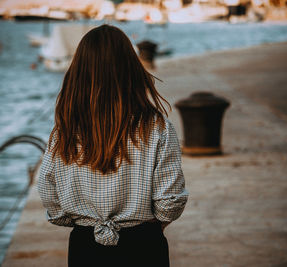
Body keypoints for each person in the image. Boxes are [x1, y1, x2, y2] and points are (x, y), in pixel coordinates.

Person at [37, 24, 188, 267]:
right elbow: (169, 201)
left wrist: (79, 221)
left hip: (85, 247)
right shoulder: (157, 127)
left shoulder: (63, 132)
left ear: (78, 73)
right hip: (144, 245)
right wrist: (151, 225)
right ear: (131, 69)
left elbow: (49, 192)